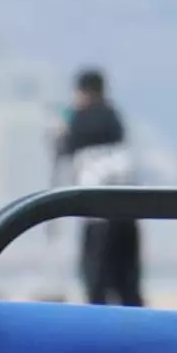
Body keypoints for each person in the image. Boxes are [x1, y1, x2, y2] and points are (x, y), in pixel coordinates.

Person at [55, 67, 144, 306]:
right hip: (127, 212)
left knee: (95, 283)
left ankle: (99, 337)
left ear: (82, 92)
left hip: (97, 213)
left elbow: (64, 148)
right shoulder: (114, 117)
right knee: (128, 283)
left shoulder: (79, 119)